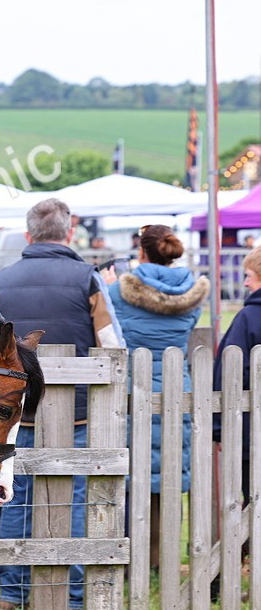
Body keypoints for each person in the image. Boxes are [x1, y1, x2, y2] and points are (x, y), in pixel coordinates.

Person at [0, 198, 123, 610]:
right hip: (78, 408)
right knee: (77, 498)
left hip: (19, 407)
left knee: (19, 494)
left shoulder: (3, 280)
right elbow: (112, 344)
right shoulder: (87, 278)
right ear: (68, 233)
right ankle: (74, 594)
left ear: (29, 234)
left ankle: (13, 590)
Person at [107, 225, 208, 569]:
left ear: (142, 252)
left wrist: (109, 280)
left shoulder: (119, 291)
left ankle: (127, 555)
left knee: (130, 474)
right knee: (165, 475)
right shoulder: (193, 293)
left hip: (134, 388)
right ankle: (159, 557)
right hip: (175, 388)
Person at [214, 245, 261, 512]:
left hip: (251, 431)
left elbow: (229, 374)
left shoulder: (248, 318)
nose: (244, 282)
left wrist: (220, 428)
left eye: (249, 275)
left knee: (252, 498)